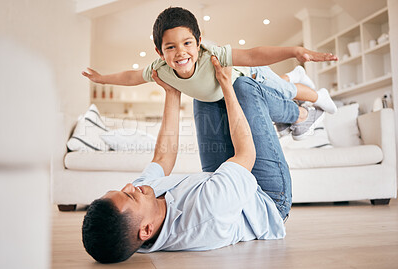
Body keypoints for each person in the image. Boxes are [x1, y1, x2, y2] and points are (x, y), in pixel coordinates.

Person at [82, 56, 323, 263]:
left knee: (204, 92)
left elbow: (163, 157)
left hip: (220, 180)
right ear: (146, 230)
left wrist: (172, 92)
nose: (129, 186)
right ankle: (301, 115)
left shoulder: (142, 205)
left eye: (121, 190)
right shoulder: (205, 215)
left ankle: (282, 95)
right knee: (243, 88)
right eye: (128, 195)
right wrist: (227, 87)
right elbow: (245, 155)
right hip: (266, 196)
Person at [82, 7, 337, 139]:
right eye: (170, 47)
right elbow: (131, 77)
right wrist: (102, 78)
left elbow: (250, 55)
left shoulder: (211, 53)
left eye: (187, 43)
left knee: (285, 91)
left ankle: (318, 97)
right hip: (239, 85)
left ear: (198, 41)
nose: (180, 53)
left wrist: (294, 50)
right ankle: (296, 75)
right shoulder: (161, 69)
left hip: (252, 76)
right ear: (160, 52)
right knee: (282, 88)